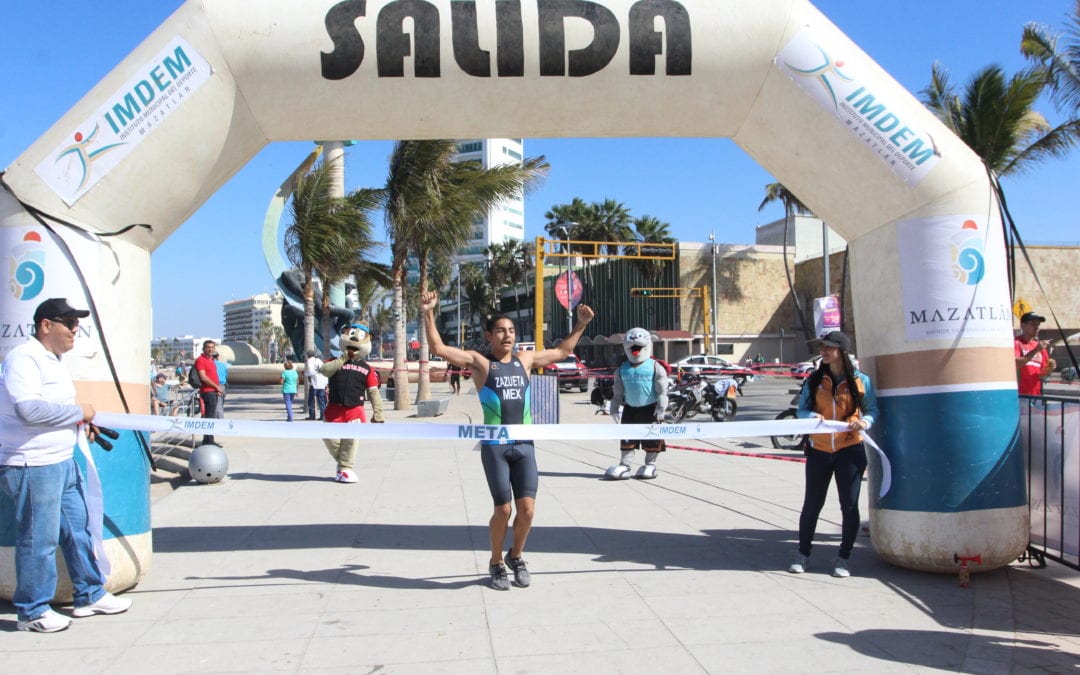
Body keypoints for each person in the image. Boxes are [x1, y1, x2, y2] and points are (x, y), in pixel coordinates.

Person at [421, 290, 595, 591]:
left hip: (524, 445)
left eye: (512, 331)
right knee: (503, 510)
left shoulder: (524, 360)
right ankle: (496, 561)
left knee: (527, 510)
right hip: (495, 447)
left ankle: (516, 556)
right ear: (489, 335)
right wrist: (428, 312)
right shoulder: (480, 363)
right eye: (501, 330)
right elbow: (438, 347)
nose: (508, 336)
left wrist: (580, 324)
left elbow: (561, 353)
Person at [0, 298, 133, 633]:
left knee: (78, 530)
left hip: (61, 459)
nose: (76, 330)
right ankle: (32, 611)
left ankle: (89, 593)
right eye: (69, 323)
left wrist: (79, 422)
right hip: (33, 464)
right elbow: (29, 410)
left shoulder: (53, 360)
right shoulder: (24, 359)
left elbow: (53, 409)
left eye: (77, 324)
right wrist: (79, 413)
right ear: (46, 325)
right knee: (38, 540)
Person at [788, 331, 879, 579]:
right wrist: (809, 417)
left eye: (828, 347)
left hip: (850, 450)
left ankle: (844, 558)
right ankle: (802, 554)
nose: (823, 351)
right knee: (812, 504)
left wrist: (866, 422)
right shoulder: (815, 379)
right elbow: (802, 410)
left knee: (849, 506)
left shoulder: (861, 380)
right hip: (819, 450)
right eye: (822, 347)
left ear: (841, 350)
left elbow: (872, 409)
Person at [319, 324, 385, 483]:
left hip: (355, 411)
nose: (354, 340)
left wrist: (378, 413)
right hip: (333, 410)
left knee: (351, 441)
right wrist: (344, 357)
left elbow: (373, 392)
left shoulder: (367, 369)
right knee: (327, 436)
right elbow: (324, 370)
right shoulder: (334, 361)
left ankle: (344, 469)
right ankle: (343, 463)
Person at [605, 327, 669, 480]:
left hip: (651, 409)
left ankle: (650, 465)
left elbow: (662, 391)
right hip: (630, 409)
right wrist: (614, 409)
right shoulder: (622, 369)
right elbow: (618, 393)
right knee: (628, 438)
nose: (635, 346)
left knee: (652, 439)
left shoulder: (655, 367)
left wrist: (661, 408)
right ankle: (625, 465)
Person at [1015, 311, 1057, 396]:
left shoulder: (1040, 346)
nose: (1036, 327)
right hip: (1019, 395)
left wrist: (1050, 368)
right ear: (1023, 325)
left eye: (1038, 325)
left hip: (1036, 395)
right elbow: (1016, 364)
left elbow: (1041, 374)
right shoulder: (1016, 342)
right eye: (1033, 324)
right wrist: (1035, 350)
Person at [194, 340, 224, 446]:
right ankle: (209, 441)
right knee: (209, 417)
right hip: (208, 392)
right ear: (203, 348)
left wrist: (217, 389)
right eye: (208, 347)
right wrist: (216, 387)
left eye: (212, 347)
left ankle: (208, 439)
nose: (210, 349)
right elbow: (203, 377)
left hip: (213, 392)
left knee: (211, 416)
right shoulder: (200, 360)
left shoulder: (211, 360)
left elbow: (213, 376)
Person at [304, 350, 328, 420]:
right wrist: (326, 383)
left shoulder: (309, 361)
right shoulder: (319, 361)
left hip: (314, 384)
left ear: (308, 355)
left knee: (311, 400)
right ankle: (322, 415)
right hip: (322, 383)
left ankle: (312, 415)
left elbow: (309, 372)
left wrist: (306, 374)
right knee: (321, 400)